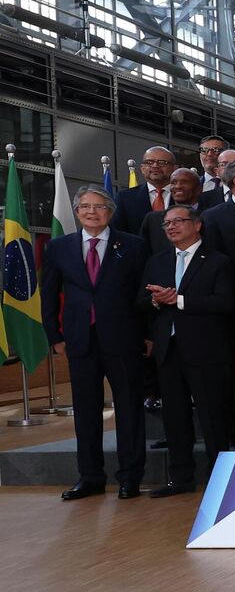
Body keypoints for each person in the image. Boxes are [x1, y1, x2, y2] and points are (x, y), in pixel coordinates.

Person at [43, 186, 148, 500]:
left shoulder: (133, 246)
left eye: (99, 207)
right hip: (79, 341)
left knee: (129, 410)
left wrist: (148, 335)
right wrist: (54, 337)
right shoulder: (58, 247)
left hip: (124, 340)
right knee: (86, 411)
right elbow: (48, 295)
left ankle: (130, 477)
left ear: (110, 212)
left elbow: (143, 294)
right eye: (85, 207)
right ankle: (90, 477)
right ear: (76, 212)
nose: (91, 212)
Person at [144, 206, 235, 497]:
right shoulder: (157, 261)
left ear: (197, 225)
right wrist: (157, 302)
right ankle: (181, 477)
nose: (171, 227)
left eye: (178, 221)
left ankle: (219, 478)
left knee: (212, 417)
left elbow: (225, 302)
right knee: (175, 417)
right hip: (168, 350)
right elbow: (140, 300)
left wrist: (179, 300)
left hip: (206, 349)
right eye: (166, 224)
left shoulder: (218, 261)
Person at [114, 145, 177, 233]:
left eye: (162, 162)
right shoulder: (125, 198)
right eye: (149, 162)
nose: (155, 166)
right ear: (142, 168)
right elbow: (118, 232)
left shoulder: (184, 195)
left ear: (175, 168)